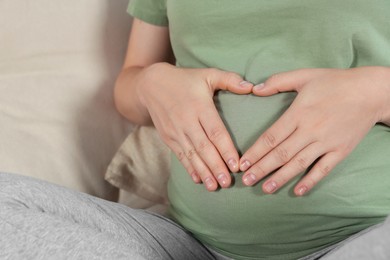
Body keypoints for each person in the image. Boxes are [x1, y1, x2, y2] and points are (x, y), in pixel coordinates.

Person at [1, 0, 390, 259]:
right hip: (190, 246)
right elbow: (130, 82)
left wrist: (377, 92)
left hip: (360, 234)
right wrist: (153, 82)